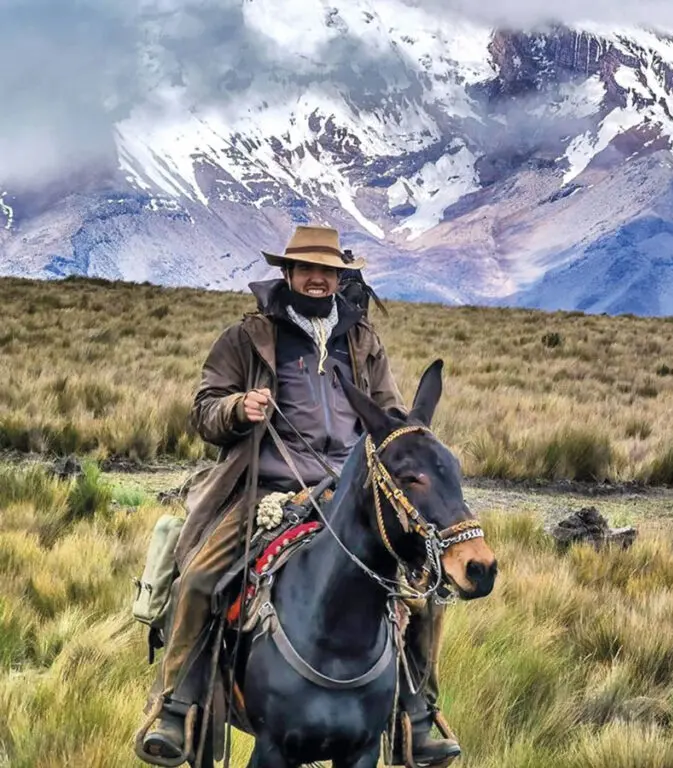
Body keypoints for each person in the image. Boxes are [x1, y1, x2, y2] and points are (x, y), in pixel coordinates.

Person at [139, 225, 460, 766]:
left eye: (327, 271)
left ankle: (417, 716)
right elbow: (203, 411)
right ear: (287, 273)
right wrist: (237, 408)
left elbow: (387, 415)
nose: (317, 279)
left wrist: (407, 435)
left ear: (339, 276)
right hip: (265, 489)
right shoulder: (248, 337)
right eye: (307, 269)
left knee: (418, 593)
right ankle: (176, 708)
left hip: (349, 493)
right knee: (197, 580)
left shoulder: (363, 340)